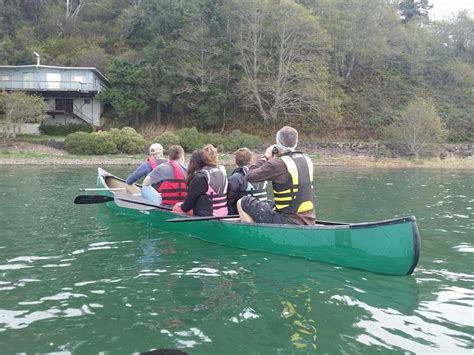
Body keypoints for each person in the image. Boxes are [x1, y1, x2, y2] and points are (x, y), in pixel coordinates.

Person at [237, 126, 315, 225]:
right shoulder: (307, 159)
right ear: (296, 142)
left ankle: (252, 236)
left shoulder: (278, 164)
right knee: (269, 203)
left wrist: (265, 157)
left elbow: (250, 176)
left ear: (278, 143)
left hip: (288, 220)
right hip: (308, 218)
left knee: (243, 202)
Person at [173, 145, 228, 216]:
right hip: (224, 214)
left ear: (193, 163)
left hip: (208, 217)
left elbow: (186, 207)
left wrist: (179, 205)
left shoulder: (200, 177)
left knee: (176, 207)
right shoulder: (221, 173)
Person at [227, 147, 268, 215]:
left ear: (235, 161)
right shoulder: (262, 175)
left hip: (246, 216)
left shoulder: (235, 178)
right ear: (251, 160)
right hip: (264, 213)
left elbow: (229, 202)